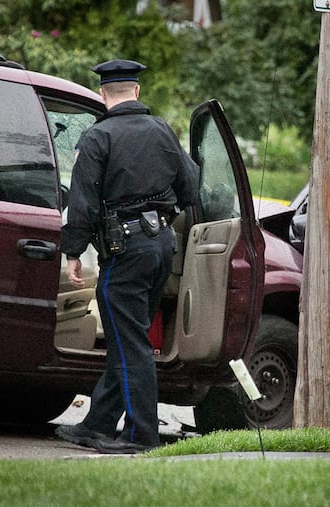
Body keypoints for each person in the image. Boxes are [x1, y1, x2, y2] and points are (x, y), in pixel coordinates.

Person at [56, 59, 198, 454]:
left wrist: (72, 251)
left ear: (104, 95)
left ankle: (140, 435)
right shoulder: (162, 132)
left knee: (129, 341)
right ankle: (98, 423)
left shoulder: (99, 137)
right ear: (136, 91)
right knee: (128, 337)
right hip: (162, 245)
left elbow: (82, 202)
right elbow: (191, 185)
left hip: (125, 250)